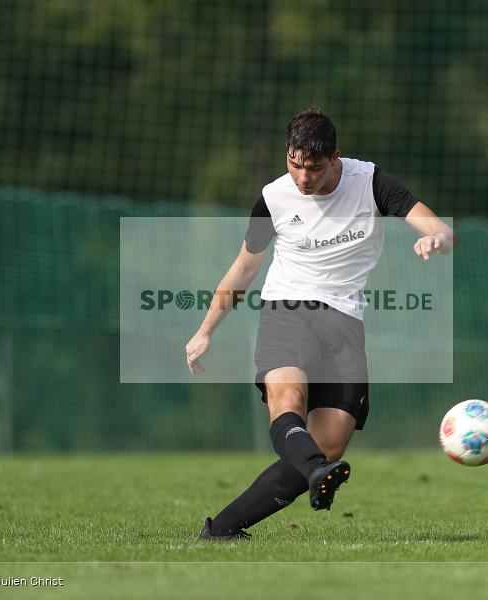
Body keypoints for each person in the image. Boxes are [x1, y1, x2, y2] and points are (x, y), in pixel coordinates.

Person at [185, 106, 456, 540]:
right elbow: (244, 269)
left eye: (313, 167)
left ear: (336, 158)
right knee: (289, 400)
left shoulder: (370, 183)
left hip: (344, 322)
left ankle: (223, 530)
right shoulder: (273, 198)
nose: (303, 177)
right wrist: (205, 331)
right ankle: (316, 473)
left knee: (328, 445)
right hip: (285, 312)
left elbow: (439, 229)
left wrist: (435, 239)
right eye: (294, 164)